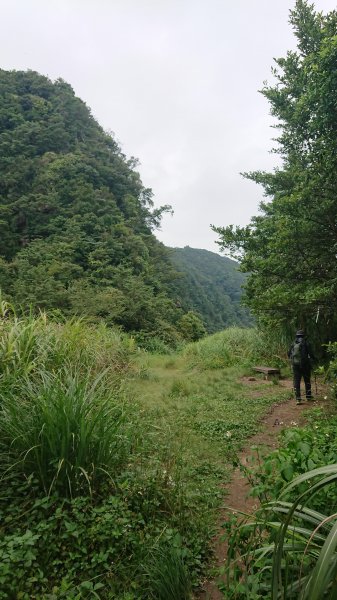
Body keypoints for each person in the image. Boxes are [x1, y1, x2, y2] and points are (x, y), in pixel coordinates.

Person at [288, 329, 314, 405]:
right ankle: (308, 396)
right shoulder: (306, 343)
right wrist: (314, 360)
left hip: (296, 365)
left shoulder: (293, 343)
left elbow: (289, 354)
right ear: (304, 336)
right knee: (307, 380)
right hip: (305, 365)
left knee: (296, 381)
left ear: (297, 336)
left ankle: (298, 399)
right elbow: (311, 354)